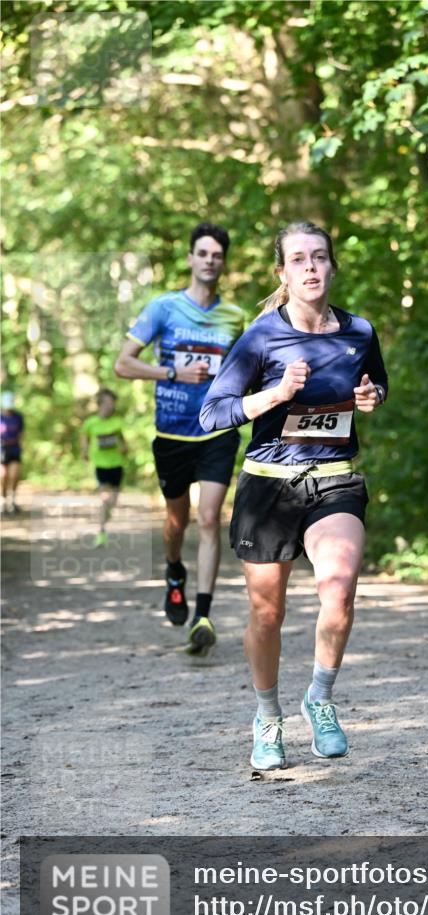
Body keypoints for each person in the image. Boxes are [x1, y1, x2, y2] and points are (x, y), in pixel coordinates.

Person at [200, 220, 388, 770]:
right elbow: (215, 412)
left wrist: (372, 395)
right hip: (267, 485)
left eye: (320, 257)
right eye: (299, 259)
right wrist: (276, 393)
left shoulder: (359, 331)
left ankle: (321, 698)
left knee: (340, 589)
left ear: (332, 266)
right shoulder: (261, 336)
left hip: (333, 477)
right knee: (268, 612)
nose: (311, 267)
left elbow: (375, 382)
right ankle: (267, 715)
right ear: (282, 273)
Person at [114, 221, 244, 655]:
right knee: (177, 523)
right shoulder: (163, 308)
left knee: (209, 519)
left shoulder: (234, 317)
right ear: (191, 259)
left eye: (217, 255)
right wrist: (171, 372)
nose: (209, 261)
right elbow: (123, 365)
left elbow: (243, 371)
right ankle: (174, 571)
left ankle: (202, 614)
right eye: (203, 254)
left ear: (223, 263)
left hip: (217, 430)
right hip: (171, 433)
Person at [81, 388, 128, 547]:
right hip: (100, 465)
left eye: (113, 403)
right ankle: (101, 531)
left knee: (112, 501)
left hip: (116, 464)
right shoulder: (90, 423)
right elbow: (85, 439)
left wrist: (125, 448)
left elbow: (123, 440)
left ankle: (104, 518)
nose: (111, 406)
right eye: (108, 403)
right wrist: (85, 451)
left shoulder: (117, 422)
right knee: (104, 498)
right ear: (100, 404)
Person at [1, 390, 24, 514]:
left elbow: (21, 433)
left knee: (14, 475)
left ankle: (13, 500)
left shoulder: (18, 417)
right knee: (3, 476)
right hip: (1, 450)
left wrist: (20, 444)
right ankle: (3, 500)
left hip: (14, 449)